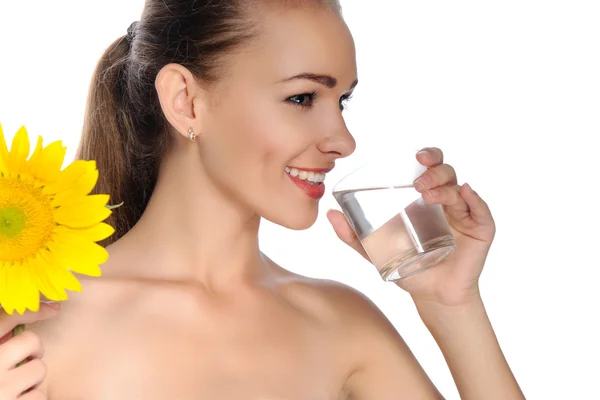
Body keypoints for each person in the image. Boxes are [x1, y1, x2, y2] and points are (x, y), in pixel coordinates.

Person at [0, 0, 525, 399]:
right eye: (302, 98)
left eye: (341, 100)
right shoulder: (35, 328)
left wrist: (451, 303)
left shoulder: (341, 326)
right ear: (186, 101)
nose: (342, 139)